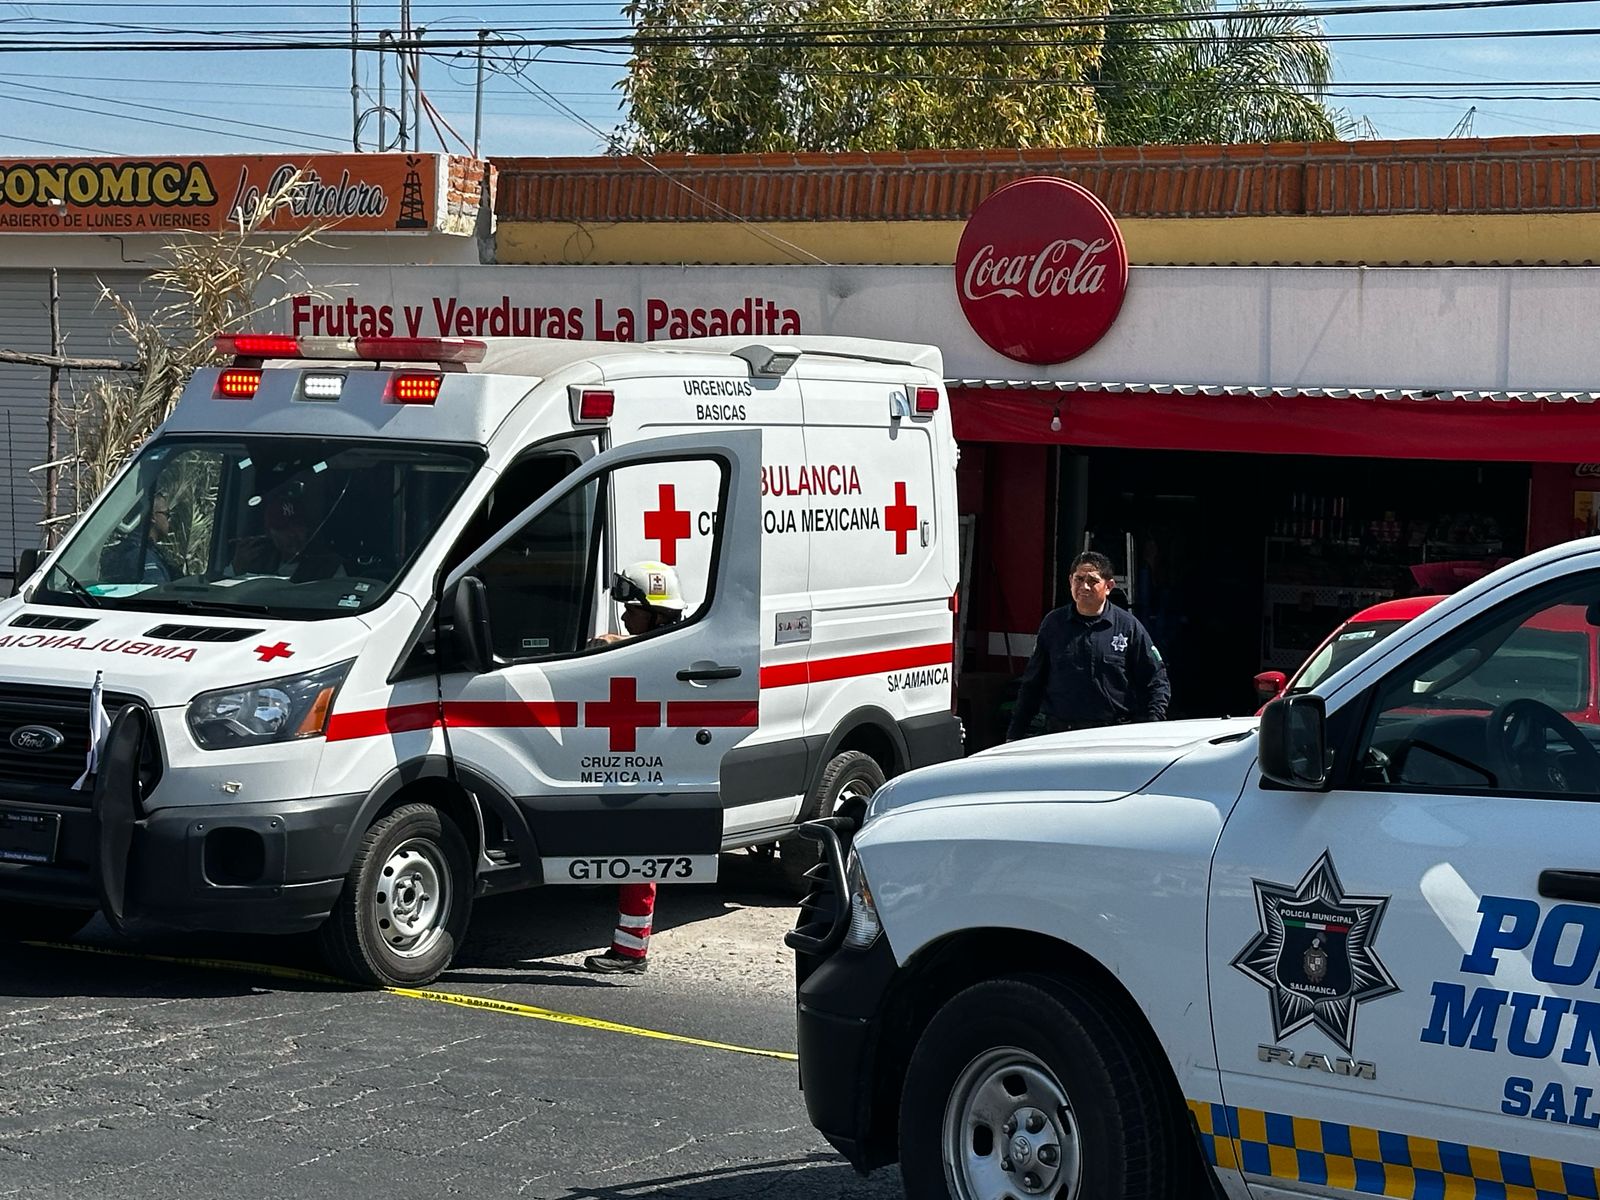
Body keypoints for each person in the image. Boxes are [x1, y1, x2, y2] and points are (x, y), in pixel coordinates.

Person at [584, 560, 687, 977]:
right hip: (642, 765)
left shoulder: (663, 654)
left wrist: (611, 648)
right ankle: (630, 950)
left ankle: (630, 953)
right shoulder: (669, 644)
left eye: (633, 609)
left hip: (651, 770)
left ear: (656, 613)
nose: (624, 616)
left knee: (640, 859)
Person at [1006, 550, 1171, 741]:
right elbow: (1032, 684)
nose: (1084, 586)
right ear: (1070, 581)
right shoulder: (1053, 625)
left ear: (1108, 586)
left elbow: (1156, 680)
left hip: (1113, 736)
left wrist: (1152, 725)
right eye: (1079, 579)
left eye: (1092, 581)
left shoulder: (1128, 626)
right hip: (1060, 735)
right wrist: (1015, 734)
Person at [103, 495, 179, 584]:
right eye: (167, 514)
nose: (169, 519)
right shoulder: (143, 558)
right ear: (153, 517)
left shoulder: (137, 550)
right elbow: (157, 594)